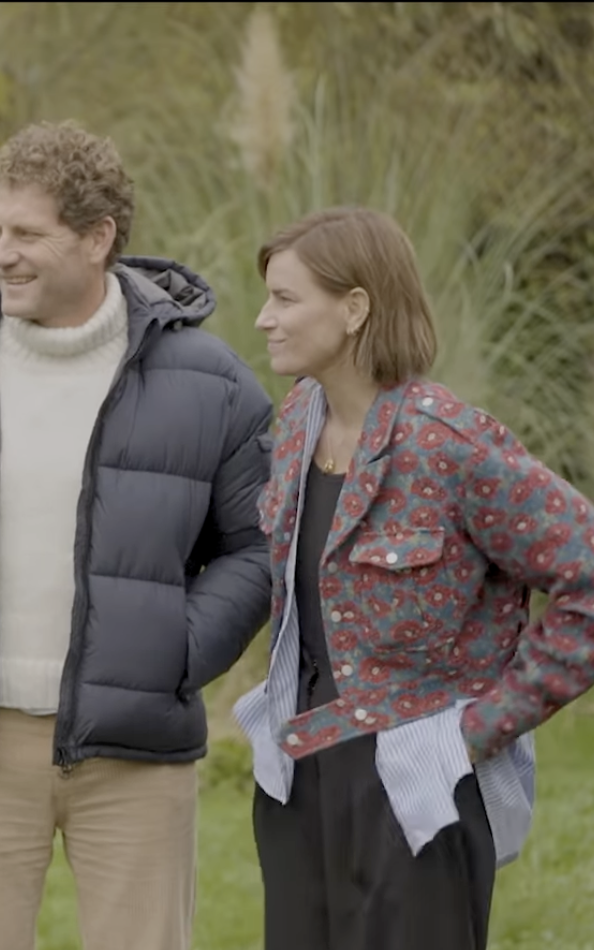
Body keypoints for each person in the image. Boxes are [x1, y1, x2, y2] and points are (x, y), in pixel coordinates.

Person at [0, 120, 275, 950]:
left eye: (26, 234)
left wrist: (179, 652)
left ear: (97, 238)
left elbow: (256, 545)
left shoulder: (212, 384)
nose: (1, 253)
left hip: (136, 753)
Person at [233, 206, 594, 950]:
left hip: (416, 788)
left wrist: (481, 728)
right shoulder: (298, 422)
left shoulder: (451, 447)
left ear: (356, 307)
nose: (264, 318)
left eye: (286, 298)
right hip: (299, 779)